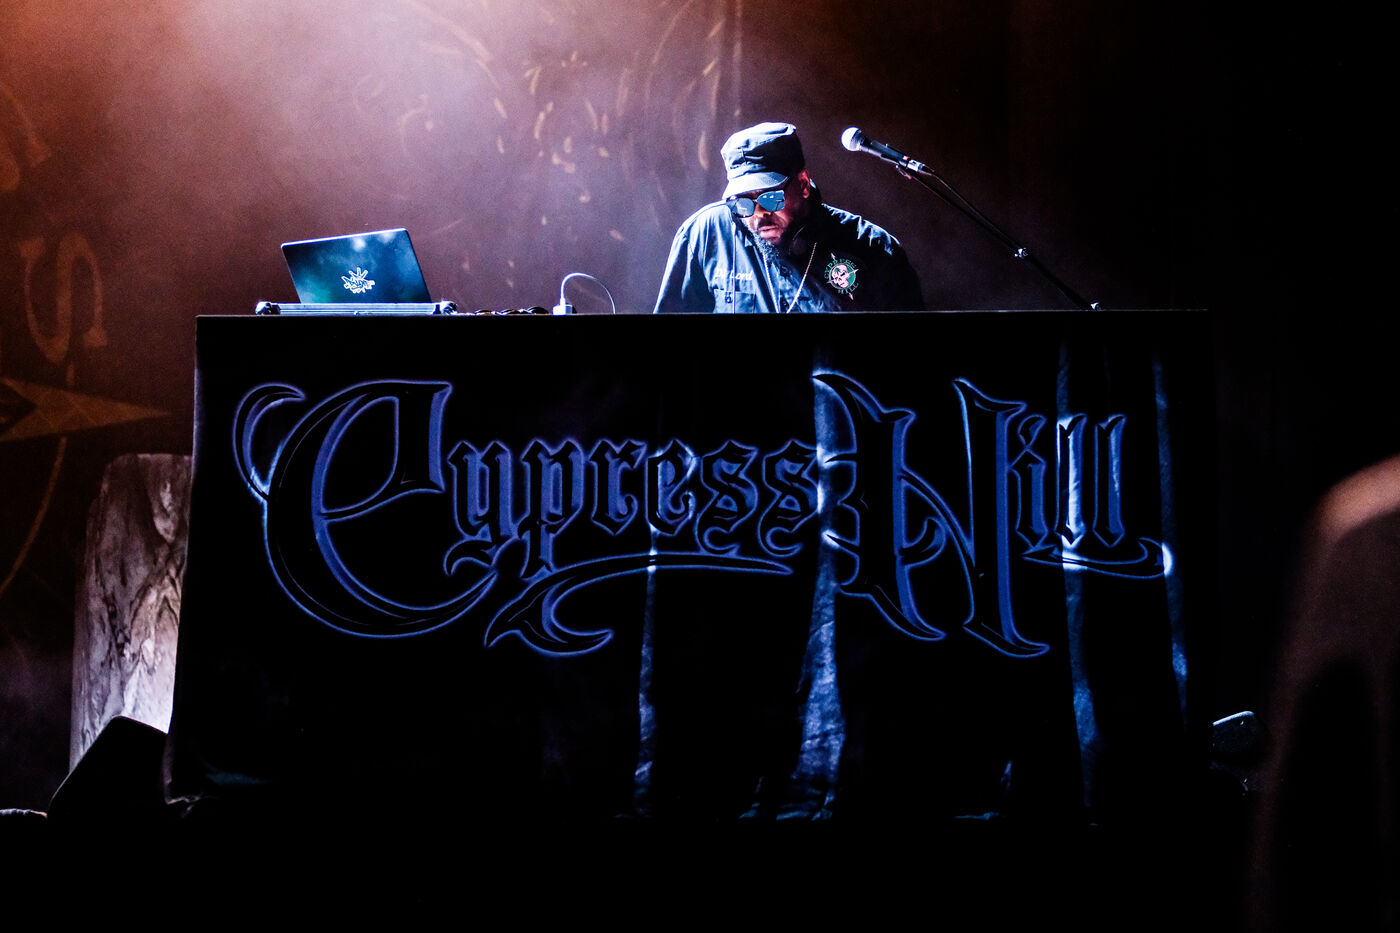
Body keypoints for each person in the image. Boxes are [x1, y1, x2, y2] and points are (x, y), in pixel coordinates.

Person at [654, 121, 925, 314]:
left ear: (803, 184)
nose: (759, 212)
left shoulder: (874, 248)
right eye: (743, 202)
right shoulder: (704, 234)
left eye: (770, 198)